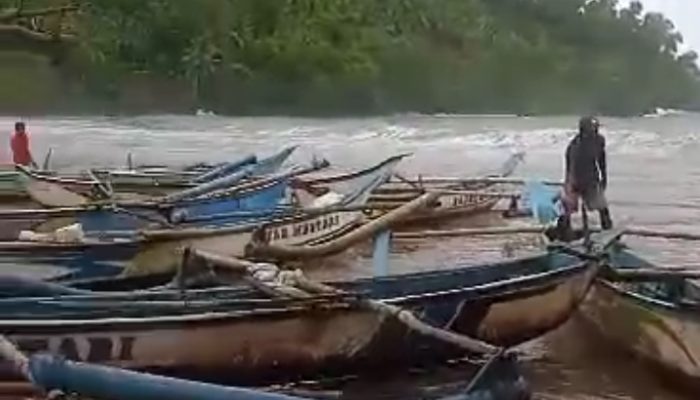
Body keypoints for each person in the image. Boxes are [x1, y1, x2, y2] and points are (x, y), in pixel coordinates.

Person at [552, 116, 613, 239]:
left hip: (592, 178)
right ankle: (561, 233)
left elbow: (601, 159)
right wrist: (570, 184)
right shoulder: (575, 145)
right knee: (568, 210)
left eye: (596, 127)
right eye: (592, 128)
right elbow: (571, 166)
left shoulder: (599, 140)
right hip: (577, 179)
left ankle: (608, 232)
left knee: (602, 207)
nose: (595, 130)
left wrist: (604, 177)